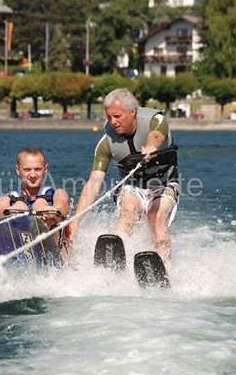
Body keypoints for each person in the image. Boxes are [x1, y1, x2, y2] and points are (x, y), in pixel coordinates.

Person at [68, 88, 179, 267]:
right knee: (128, 210)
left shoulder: (155, 120)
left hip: (164, 184)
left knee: (156, 217)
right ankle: (115, 261)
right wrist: (74, 223)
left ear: (132, 111)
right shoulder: (105, 144)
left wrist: (151, 146)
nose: (113, 122)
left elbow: (157, 134)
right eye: (109, 117)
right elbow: (93, 183)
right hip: (133, 187)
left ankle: (164, 265)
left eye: (117, 116)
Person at [0, 149, 71, 252]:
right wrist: (15, 214)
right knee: (20, 205)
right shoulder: (7, 200)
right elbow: (1, 214)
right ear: (18, 170)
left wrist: (50, 212)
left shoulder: (58, 194)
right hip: (18, 244)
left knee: (40, 204)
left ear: (45, 169)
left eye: (37, 169)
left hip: (53, 246)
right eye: (27, 170)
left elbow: (61, 209)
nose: (32, 175)